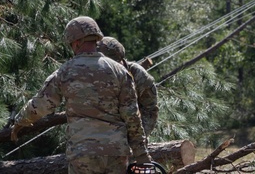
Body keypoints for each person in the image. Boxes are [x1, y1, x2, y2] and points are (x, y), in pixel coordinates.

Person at [10, 16, 152, 174]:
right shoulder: (119, 71)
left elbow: (40, 105)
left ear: (76, 43)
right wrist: (142, 156)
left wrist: (20, 122)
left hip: (82, 152)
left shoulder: (64, 72)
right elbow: (132, 116)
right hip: (116, 153)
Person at [97, 36, 159, 136]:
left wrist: (139, 138)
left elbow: (150, 110)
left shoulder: (139, 76)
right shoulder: (96, 74)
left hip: (133, 125)